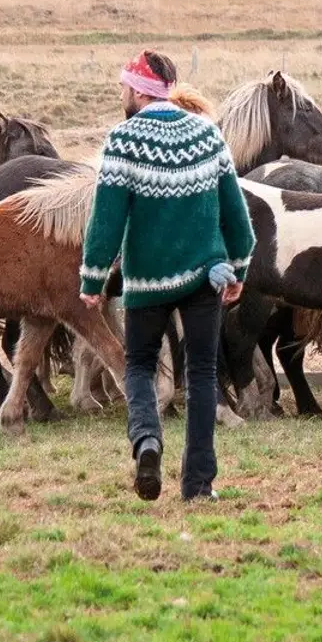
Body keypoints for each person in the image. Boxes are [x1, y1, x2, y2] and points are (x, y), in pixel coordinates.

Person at [80, 50, 255, 502]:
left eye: (124, 86)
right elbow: (236, 213)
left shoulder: (123, 140)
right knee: (201, 374)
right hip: (205, 277)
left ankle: (147, 440)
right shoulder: (207, 134)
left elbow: (106, 220)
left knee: (139, 365)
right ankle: (198, 485)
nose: (121, 93)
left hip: (146, 282)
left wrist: (93, 279)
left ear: (140, 91)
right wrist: (239, 266)